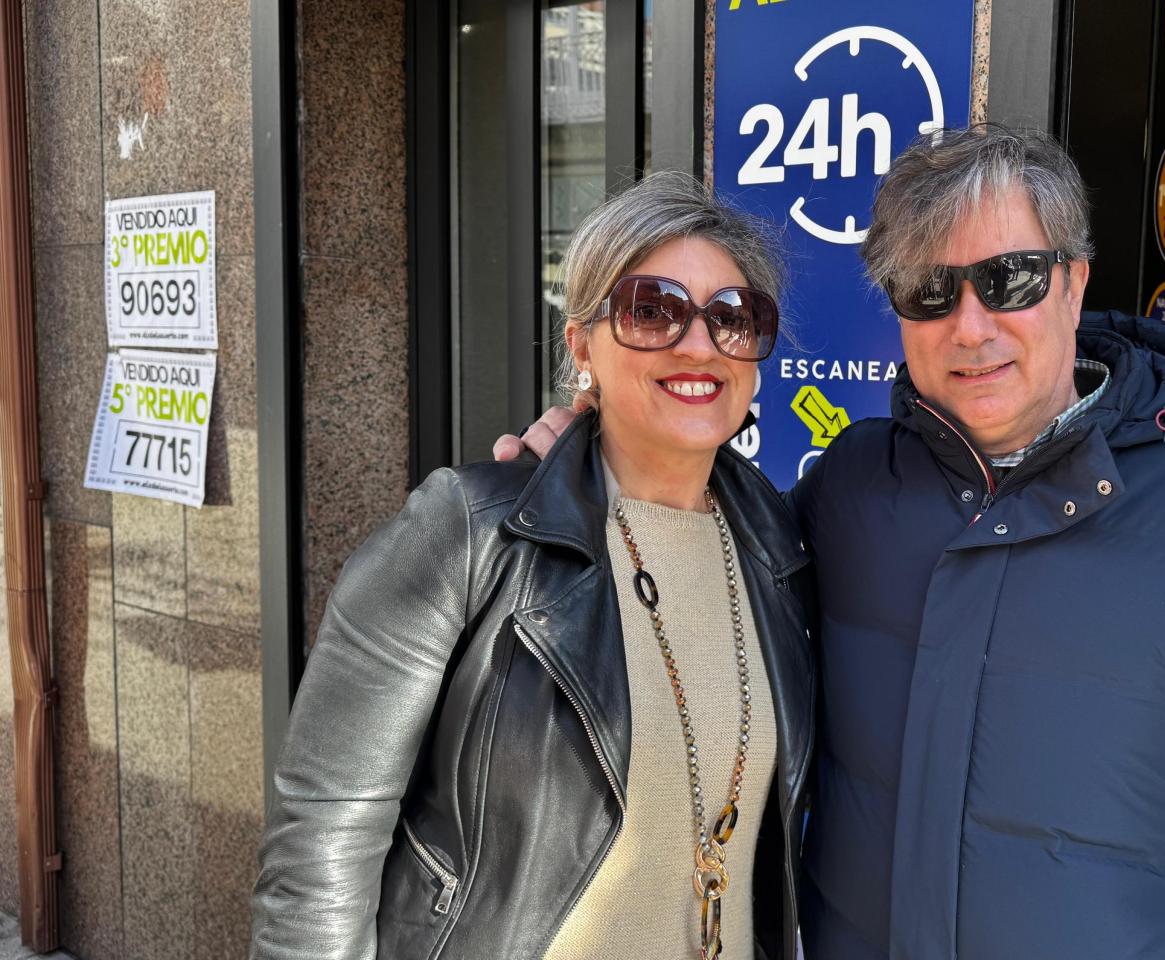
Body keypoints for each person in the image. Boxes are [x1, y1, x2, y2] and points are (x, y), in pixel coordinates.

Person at [499, 127, 1165, 958]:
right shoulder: (852, 487)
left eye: (1011, 278)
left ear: (1075, 280)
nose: (971, 326)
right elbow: (700, 552)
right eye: (931, 292)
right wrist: (591, 463)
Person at [252, 172, 816, 960]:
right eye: (652, 311)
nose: (698, 344)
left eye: (733, 316)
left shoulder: (779, 550)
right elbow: (322, 841)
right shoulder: (470, 533)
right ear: (582, 343)